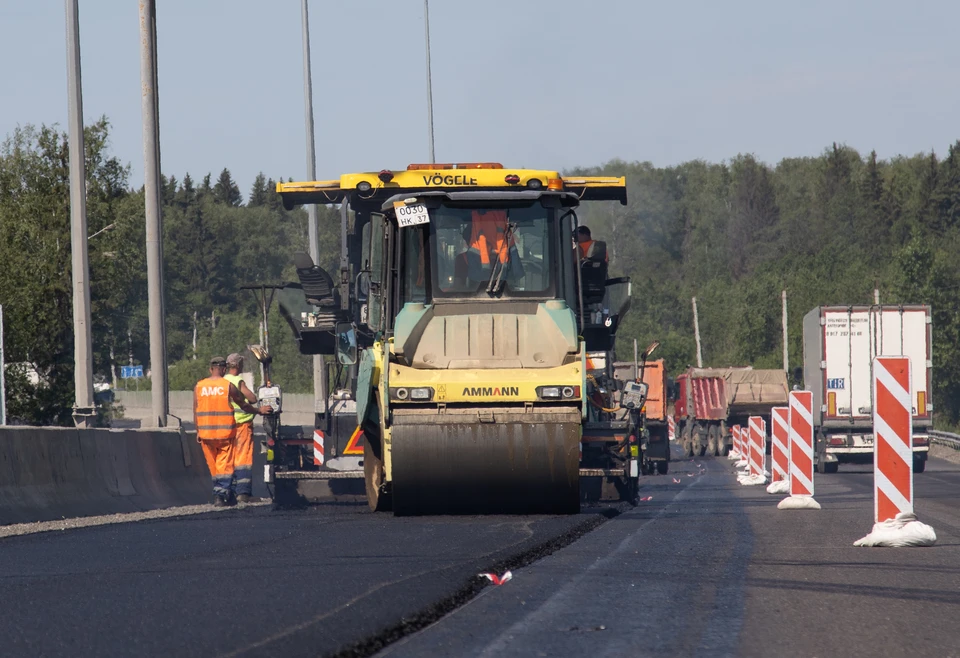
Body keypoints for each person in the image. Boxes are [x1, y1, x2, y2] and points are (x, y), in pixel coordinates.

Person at [194, 356, 270, 507]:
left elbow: (195, 410)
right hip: (224, 434)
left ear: (210, 369)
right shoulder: (227, 386)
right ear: (223, 369)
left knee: (214, 466)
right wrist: (259, 411)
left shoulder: (199, 386)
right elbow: (245, 405)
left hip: (205, 435)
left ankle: (224, 493)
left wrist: (198, 430)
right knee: (224, 465)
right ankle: (220, 496)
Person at [225, 353, 259, 503]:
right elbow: (252, 399)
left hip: (227, 425)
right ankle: (243, 493)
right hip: (242, 424)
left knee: (229, 459)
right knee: (243, 458)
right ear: (238, 365)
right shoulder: (238, 381)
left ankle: (228, 492)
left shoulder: (223, 380)